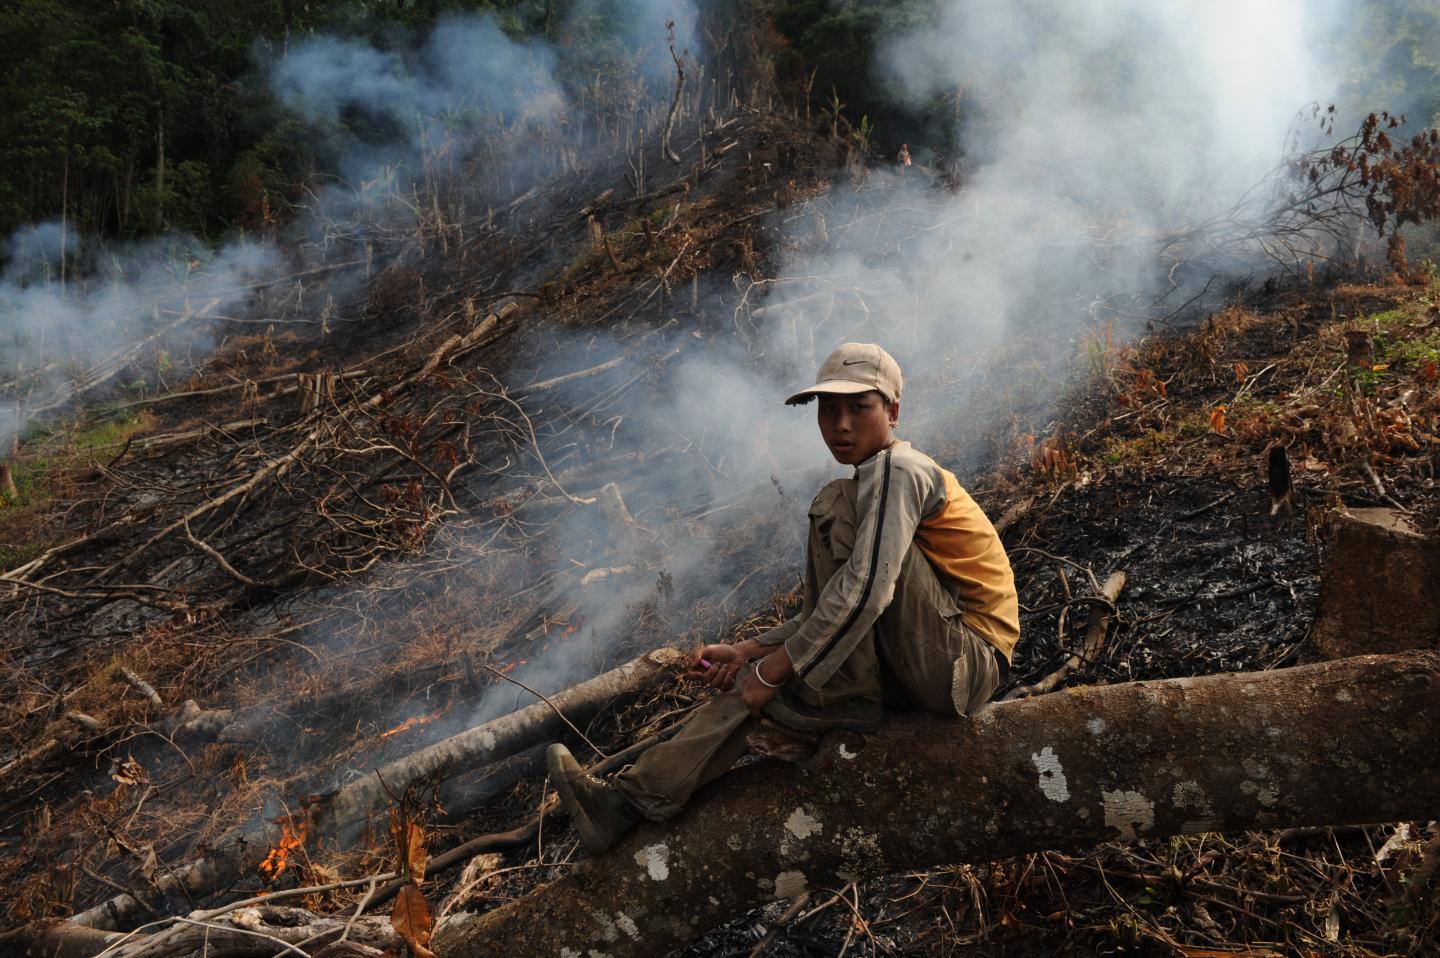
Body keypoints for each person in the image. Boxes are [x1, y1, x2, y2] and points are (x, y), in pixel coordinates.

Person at [546, 343, 1020, 854]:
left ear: (893, 412)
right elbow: (839, 603)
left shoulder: (898, 470)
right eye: (829, 409)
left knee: (837, 513)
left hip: (964, 664)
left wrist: (775, 670)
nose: (841, 425)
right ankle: (628, 803)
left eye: (859, 408)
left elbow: (868, 590)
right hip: (930, 659)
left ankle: (846, 696)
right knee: (765, 675)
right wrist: (754, 654)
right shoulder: (871, 480)